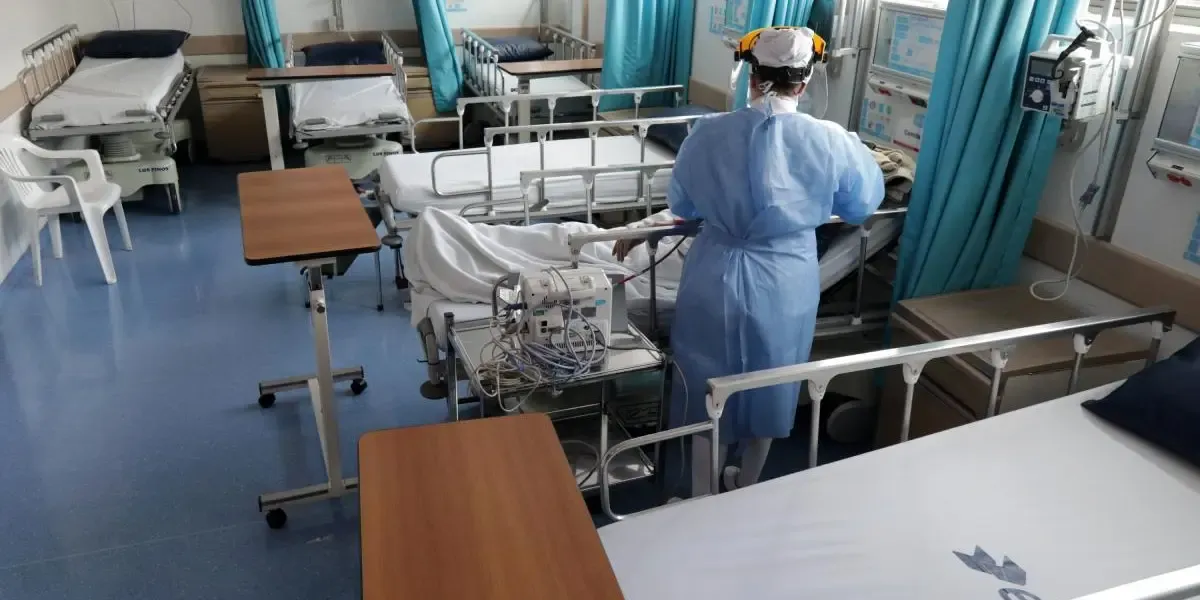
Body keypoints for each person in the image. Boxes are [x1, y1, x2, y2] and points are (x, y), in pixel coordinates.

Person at [615, 27, 885, 496]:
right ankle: (746, 485)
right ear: (804, 82)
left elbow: (684, 203)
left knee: (707, 386)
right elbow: (861, 205)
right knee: (773, 381)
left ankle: (703, 495)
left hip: (714, 274)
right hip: (785, 280)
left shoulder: (708, 133)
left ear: (753, 78)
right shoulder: (832, 141)